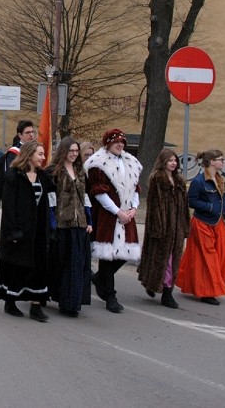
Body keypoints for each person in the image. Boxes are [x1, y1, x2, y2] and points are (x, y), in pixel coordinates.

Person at [0, 141, 55, 321]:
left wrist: (50, 228)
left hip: (37, 232)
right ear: (29, 155)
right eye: (40, 154)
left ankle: (36, 306)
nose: (43, 158)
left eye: (44, 154)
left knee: (39, 267)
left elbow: (48, 202)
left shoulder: (43, 176)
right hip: (19, 232)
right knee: (16, 267)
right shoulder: (14, 176)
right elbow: (9, 207)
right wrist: (12, 232)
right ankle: (10, 301)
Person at [85, 129, 142, 314]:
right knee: (108, 256)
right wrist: (117, 212)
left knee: (125, 254)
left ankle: (99, 279)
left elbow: (135, 189)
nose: (120, 145)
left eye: (122, 142)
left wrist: (133, 208)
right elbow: (99, 192)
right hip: (108, 215)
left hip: (127, 215)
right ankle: (110, 296)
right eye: (116, 142)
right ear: (108, 143)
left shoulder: (131, 162)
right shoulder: (98, 163)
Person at [46, 137, 94, 318]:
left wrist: (89, 220)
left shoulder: (81, 172)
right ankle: (56, 295)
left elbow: (85, 197)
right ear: (63, 151)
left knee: (76, 265)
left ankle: (71, 303)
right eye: (70, 151)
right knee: (61, 263)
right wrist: (52, 224)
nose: (74, 154)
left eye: (76, 151)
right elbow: (51, 200)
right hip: (61, 224)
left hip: (79, 224)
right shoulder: (53, 172)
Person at [177, 149, 225, 306]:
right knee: (208, 258)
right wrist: (209, 207)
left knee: (221, 255)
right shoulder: (199, 181)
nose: (223, 162)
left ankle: (211, 287)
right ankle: (206, 292)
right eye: (221, 159)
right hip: (203, 223)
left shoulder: (220, 180)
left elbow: (224, 200)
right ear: (212, 161)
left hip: (218, 223)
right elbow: (191, 201)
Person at [137, 148, 189, 309]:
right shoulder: (157, 179)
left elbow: (184, 206)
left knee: (173, 260)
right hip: (162, 227)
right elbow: (153, 206)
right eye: (170, 160)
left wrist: (185, 226)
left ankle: (155, 285)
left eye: (175, 161)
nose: (173, 163)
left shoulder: (179, 181)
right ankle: (166, 292)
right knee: (163, 260)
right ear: (163, 162)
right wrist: (157, 227)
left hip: (177, 227)